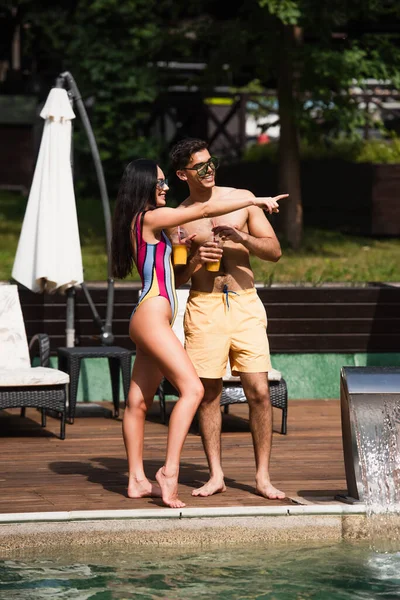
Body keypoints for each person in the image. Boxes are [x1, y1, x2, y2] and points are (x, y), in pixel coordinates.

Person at [111, 158, 285, 508]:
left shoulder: (143, 222)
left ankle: (135, 481)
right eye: (159, 183)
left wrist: (189, 251)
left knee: (137, 401)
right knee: (192, 390)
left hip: (148, 314)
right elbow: (204, 208)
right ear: (143, 186)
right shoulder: (151, 218)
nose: (164, 189)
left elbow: (173, 264)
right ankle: (169, 472)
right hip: (152, 316)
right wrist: (252, 201)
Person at [169, 138, 287, 501]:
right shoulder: (179, 218)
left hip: (245, 304)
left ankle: (262, 477)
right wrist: (195, 259)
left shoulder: (243, 199)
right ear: (182, 174)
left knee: (259, 391)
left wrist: (241, 237)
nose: (208, 170)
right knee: (208, 395)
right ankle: (215, 474)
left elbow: (275, 252)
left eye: (210, 163)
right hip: (204, 307)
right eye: (199, 166)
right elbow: (176, 278)